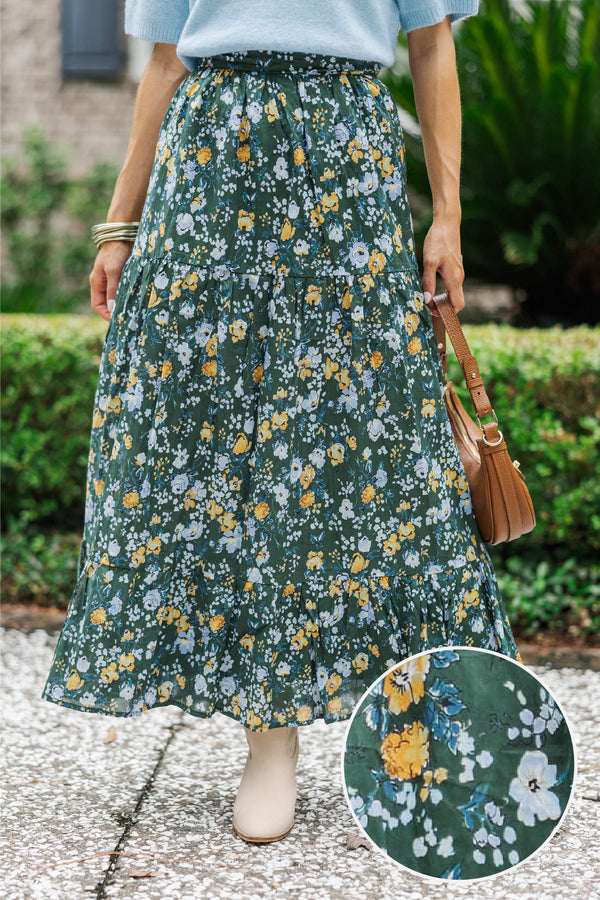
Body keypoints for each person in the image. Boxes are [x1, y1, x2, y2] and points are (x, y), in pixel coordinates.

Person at [42, 0, 522, 845]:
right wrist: (121, 221)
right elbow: (163, 61)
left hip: (346, 158)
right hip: (209, 162)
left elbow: (432, 42)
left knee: (382, 448)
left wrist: (447, 216)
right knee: (218, 436)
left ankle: (433, 710)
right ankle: (272, 737)